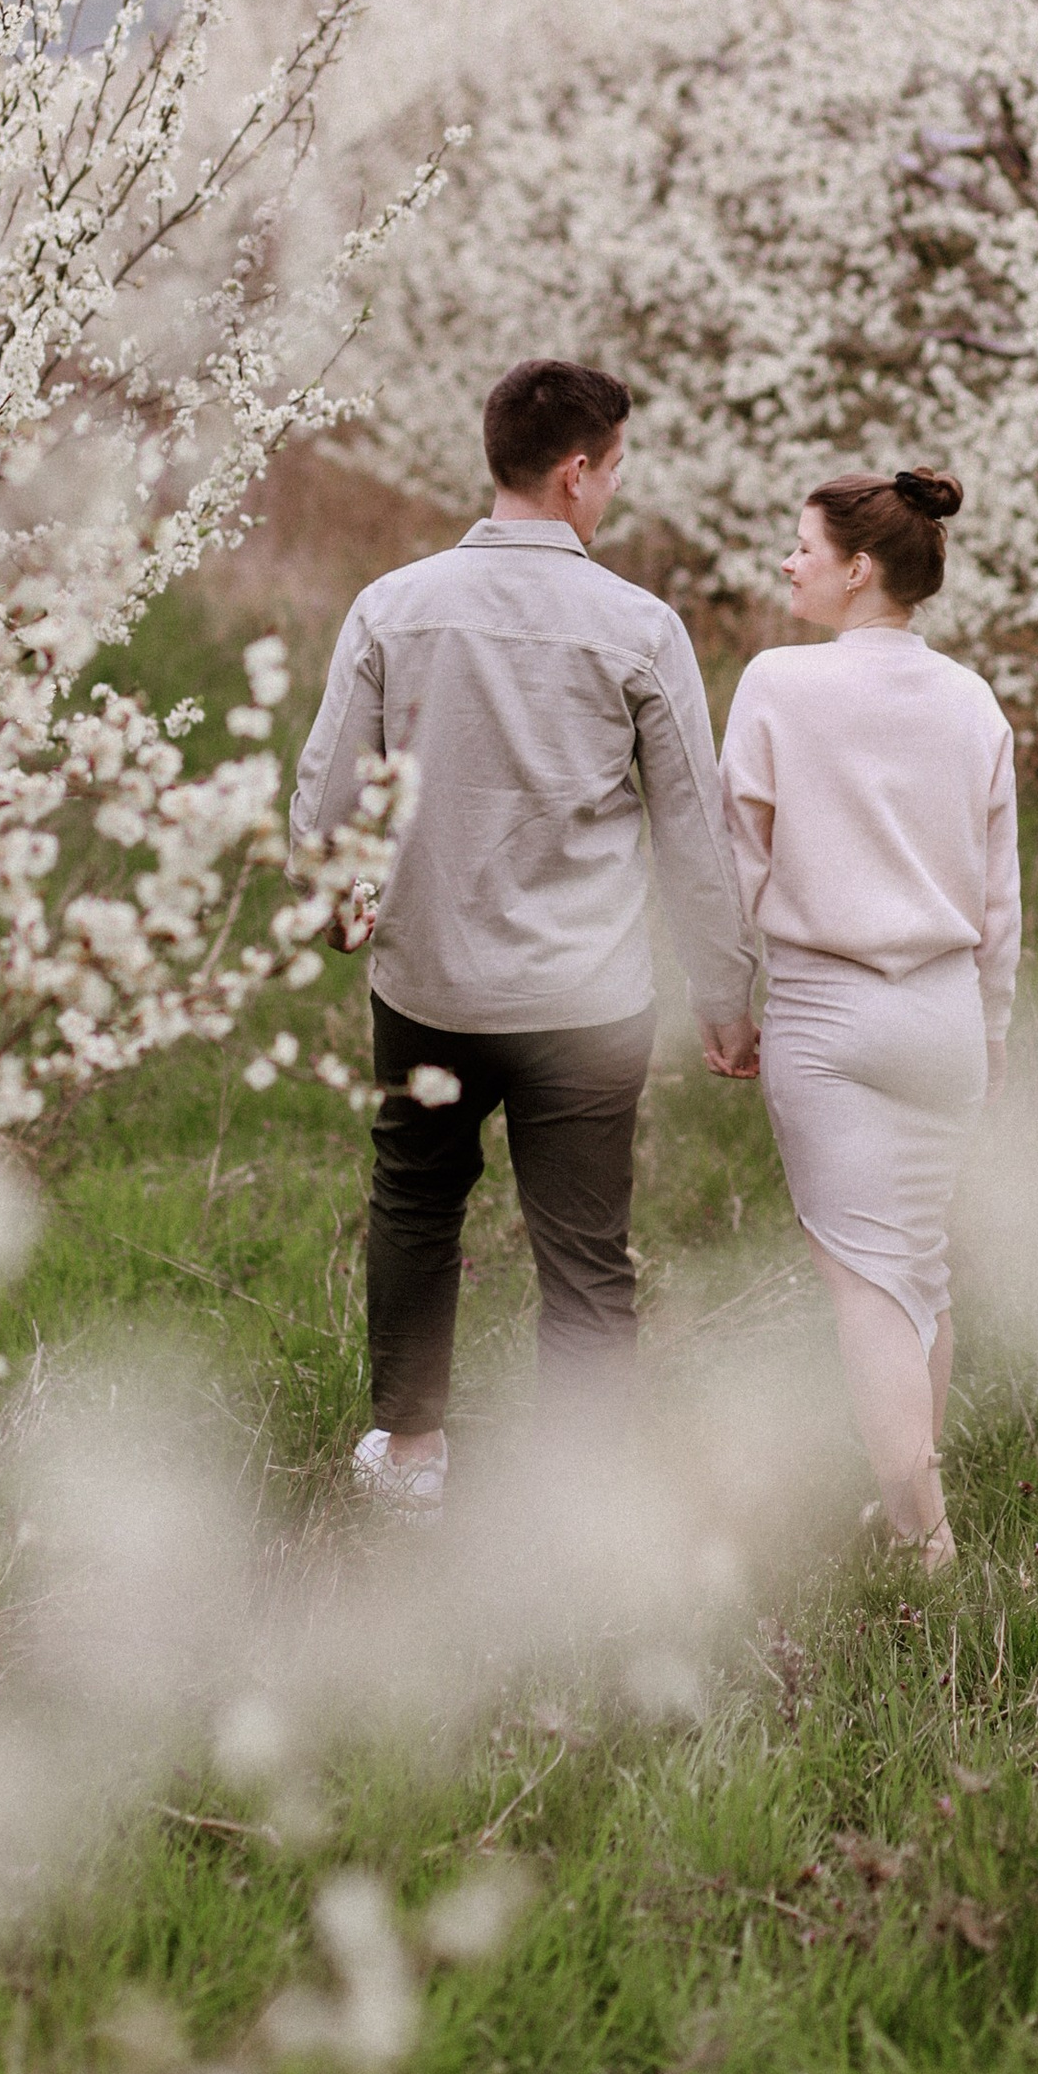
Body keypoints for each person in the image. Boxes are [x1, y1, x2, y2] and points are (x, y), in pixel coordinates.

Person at [290, 356, 760, 1514]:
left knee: (414, 1202)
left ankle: (407, 1459)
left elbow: (327, 794)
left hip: (431, 986)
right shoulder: (640, 629)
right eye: (611, 472)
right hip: (586, 998)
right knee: (586, 1244)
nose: (610, 491)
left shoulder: (391, 608)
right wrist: (723, 986)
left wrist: (332, 895)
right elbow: (692, 827)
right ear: (574, 473)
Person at [718, 468, 1019, 1571]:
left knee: (867, 1285)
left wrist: (728, 998)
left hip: (826, 1012)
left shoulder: (776, 686)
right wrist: (990, 1033)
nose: (787, 564)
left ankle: (926, 1537)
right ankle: (907, 1509)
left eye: (801, 546)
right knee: (919, 1274)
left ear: (858, 569)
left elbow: (733, 862)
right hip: (943, 1015)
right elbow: (1000, 900)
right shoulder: (973, 700)